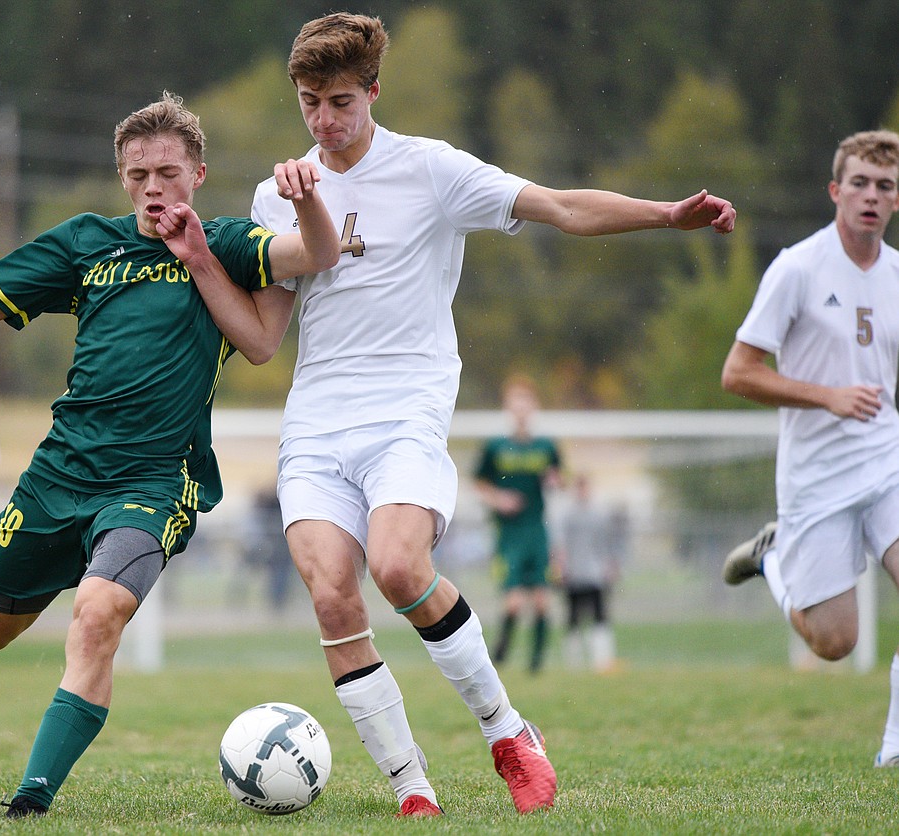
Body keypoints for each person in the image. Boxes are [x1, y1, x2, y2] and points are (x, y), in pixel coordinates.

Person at [194, 12, 735, 817]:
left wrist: (662, 215)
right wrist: (202, 262)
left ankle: (508, 731)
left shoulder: (431, 169)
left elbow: (557, 206)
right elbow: (268, 339)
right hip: (315, 425)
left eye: (339, 101)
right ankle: (412, 788)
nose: (323, 120)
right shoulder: (278, 192)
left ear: (373, 91)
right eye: (309, 101)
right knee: (332, 592)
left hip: (406, 411)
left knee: (401, 567)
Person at [0, 91, 340, 818]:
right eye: (137, 174)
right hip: (57, 477)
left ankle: (32, 797)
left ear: (198, 173)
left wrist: (305, 203)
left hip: (151, 482)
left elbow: (317, 252)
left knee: (96, 614)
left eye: (167, 172)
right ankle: (73, 567)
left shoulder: (230, 244)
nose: (152, 188)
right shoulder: (87, 244)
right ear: (122, 179)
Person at [720, 129, 899, 767]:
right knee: (834, 643)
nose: (871, 197)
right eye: (859, 183)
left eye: (884, 186)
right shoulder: (798, 268)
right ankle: (773, 562)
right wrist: (827, 396)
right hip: (817, 477)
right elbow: (737, 373)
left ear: (897, 199)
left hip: (888, 462)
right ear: (835, 191)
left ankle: (893, 752)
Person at [474, 374, 562, 674]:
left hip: (537, 530)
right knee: (512, 602)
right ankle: (501, 651)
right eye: (515, 403)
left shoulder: (547, 446)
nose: (521, 409)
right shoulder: (496, 447)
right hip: (508, 534)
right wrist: (499, 499)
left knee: (541, 601)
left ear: (534, 407)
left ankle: (536, 664)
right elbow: (479, 483)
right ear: (508, 408)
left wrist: (555, 481)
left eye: (526, 402)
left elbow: (561, 478)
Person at [552, 473, 626, 673]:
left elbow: (609, 543)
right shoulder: (567, 515)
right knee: (573, 617)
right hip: (574, 574)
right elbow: (560, 544)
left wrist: (611, 565)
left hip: (595, 574)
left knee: (600, 616)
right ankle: (574, 663)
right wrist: (561, 566)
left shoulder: (599, 514)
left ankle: (602, 661)